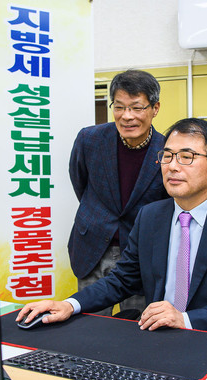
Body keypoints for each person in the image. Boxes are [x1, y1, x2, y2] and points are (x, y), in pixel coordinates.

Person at [18, 118, 207, 337]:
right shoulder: (151, 216)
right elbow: (122, 279)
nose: (173, 166)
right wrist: (69, 304)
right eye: (167, 156)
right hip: (158, 337)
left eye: (187, 157)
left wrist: (184, 319)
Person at [68, 69, 168, 316]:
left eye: (137, 108)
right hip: (92, 246)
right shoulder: (89, 139)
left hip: (140, 253)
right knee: (91, 327)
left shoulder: (167, 150)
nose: (127, 117)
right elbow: (80, 182)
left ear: (155, 108)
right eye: (119, 107)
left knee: (134, 330)